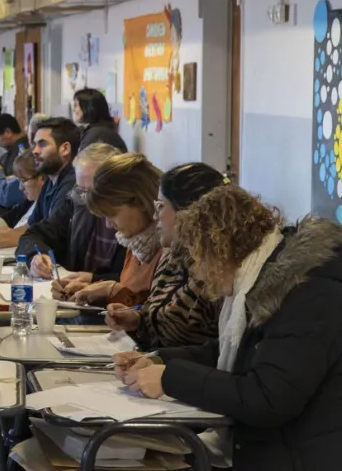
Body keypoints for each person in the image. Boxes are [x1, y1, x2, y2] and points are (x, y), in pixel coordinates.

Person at [117, 187, 342, 471]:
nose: (198, 273)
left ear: (222, 249)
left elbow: (268, 399)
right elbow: (233, 352)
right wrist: (158, 359)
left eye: (199, 259)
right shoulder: (268, 281)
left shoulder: (309, 293)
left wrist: (170, 379)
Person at [105, 163, 225, 349]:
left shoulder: (215, 269)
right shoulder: (172, 255)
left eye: (160, 206)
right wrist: (136, 320)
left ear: (188, 211)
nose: (154, 216)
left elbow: (186, 339)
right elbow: (158, 317)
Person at [65, 154, 163, 307]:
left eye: (112, 214)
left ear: (141, 202)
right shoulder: (137, 240)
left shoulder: (168, 248)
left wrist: (112, 290)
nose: (108, 224)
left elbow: (157, 319)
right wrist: (91, 291)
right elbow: (131, 296)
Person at [23, 143, 126, 282]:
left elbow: (135, 281)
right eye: (80, 189)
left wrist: (93, 279)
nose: (83, 198)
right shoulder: (76, 203)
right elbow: (33, 235)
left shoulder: (131, 218)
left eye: (89, 191)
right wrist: (36, 257)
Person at [26, 117, 79, 226]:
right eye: (35, 144)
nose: (35, 151)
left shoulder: (72, 185)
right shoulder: (50, 180)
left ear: (65, 149)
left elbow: (49, 235)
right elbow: (32, 226)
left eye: (42, 144)